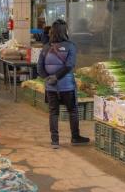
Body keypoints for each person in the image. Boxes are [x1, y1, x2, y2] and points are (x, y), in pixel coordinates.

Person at [37, 19, 90, 149]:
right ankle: (75, 137)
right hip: (67, 86)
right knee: (72, 111)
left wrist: (48, 78)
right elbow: (69, 66)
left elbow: (39, 68)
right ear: (65, 31)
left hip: (51, 87)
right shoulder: (70, 46)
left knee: (53, 113)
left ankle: (55, 141)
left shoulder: (46, 47)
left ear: (52, 32)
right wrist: (57, 77)